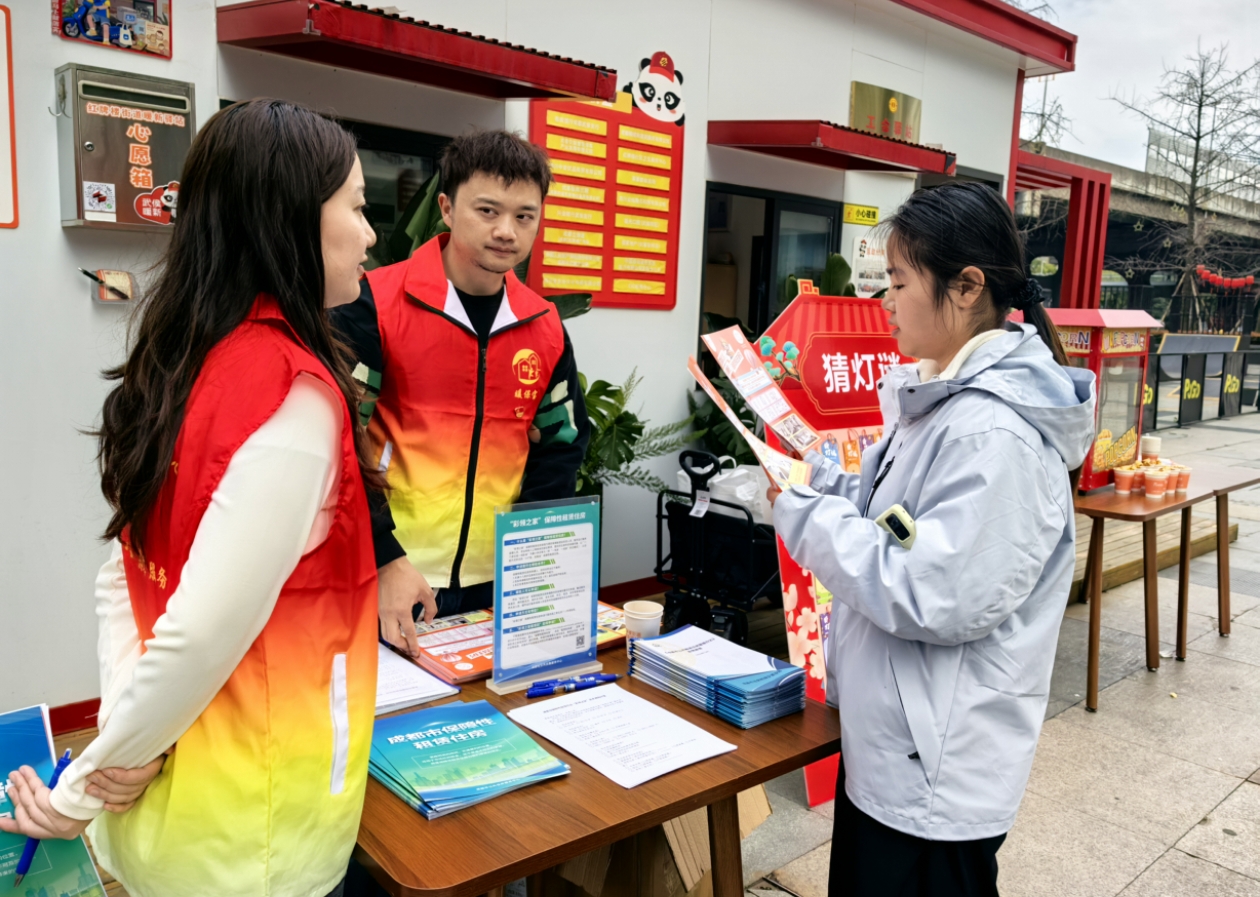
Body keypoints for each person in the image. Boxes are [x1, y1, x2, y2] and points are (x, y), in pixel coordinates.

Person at [0, 99, 381, 897]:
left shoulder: (180, 362)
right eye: (356, 206)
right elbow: (201, 633)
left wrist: (122, 741)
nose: (371, 233)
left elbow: (123, 572)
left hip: (169, 813)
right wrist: (82, 788)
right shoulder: (295, 396)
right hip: (252, 831)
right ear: (289, 219)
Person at [769, 182, 1096, 897]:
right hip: (901, 748)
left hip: (935, 776)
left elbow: (932, 590)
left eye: (898, 281)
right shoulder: (945, 402)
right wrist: (813, 484)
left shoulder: (994, 433)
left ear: (967, 286)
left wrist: (804, 516)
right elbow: (894, 517)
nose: (884, 299)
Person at [332, 129, 590, 656]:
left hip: (499, 580)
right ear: (447, 208)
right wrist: (384, 557)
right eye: (488, 210)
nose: (506, 231)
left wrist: (532, 563)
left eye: (525, 216)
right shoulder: (374, 304)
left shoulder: (544, 325)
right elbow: (339, 440)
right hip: (391, 574)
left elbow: (562, 446)